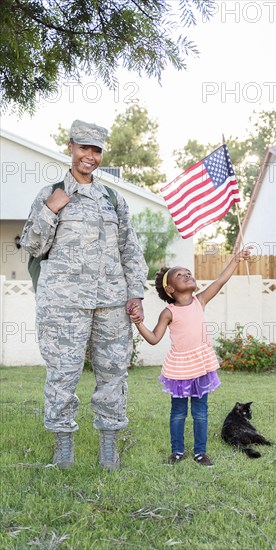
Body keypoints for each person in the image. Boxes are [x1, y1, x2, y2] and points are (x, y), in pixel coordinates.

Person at [20, 119, 148, 471]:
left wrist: (135, 293)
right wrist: (51, 209)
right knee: (63, 374)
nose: (89, 156)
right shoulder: (50, 193)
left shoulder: (112, 199)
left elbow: (131, 251)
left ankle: (109, 450)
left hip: (111, 303)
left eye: (96, 150)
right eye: (83, 148)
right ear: (70, 147)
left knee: (113, 375)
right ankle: (64, 449)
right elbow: (31, 245)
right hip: (63, 304)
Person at [129, 248, 252, 466]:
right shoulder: (169, 312)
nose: (187, 275)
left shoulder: (200, 301)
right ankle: (177, 451)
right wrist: (138, 323)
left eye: (188, 272)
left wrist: (236, 259)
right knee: (178, 412)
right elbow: (154, 338)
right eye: (180, 275)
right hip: (179, 368)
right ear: (170, 289)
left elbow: (221, 280)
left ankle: (200, 453)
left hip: (201, 365)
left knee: (200, 412)